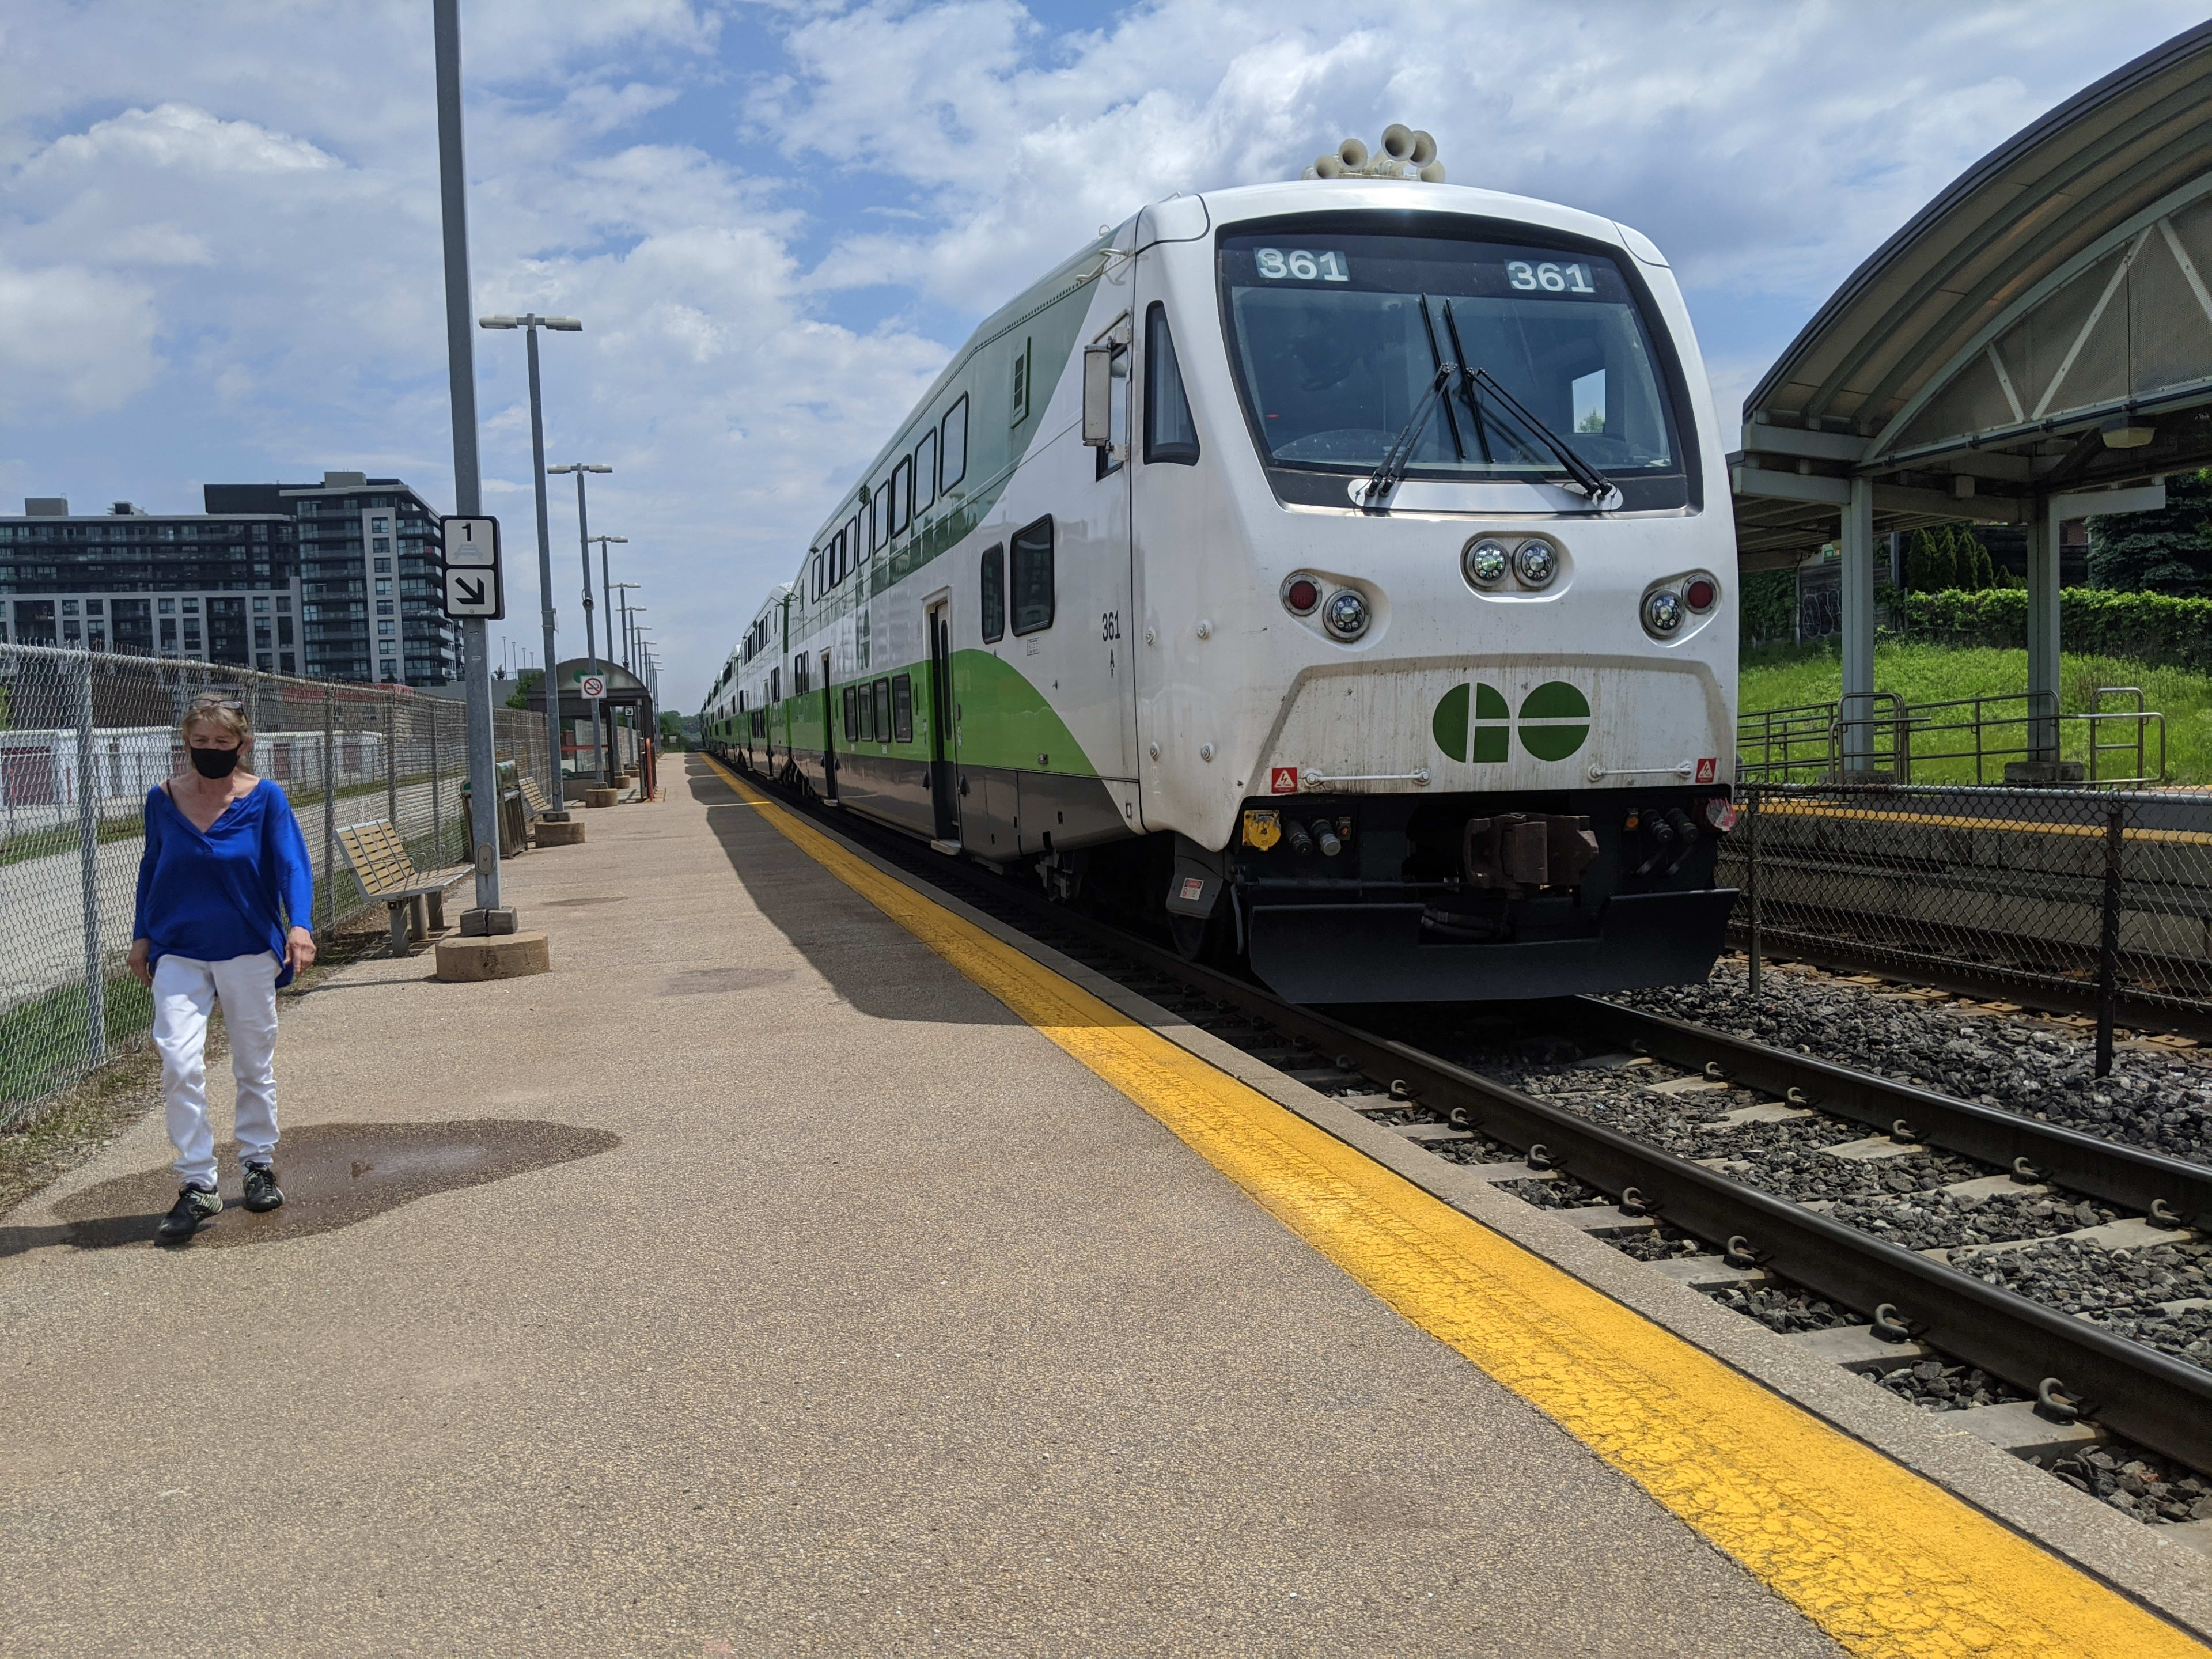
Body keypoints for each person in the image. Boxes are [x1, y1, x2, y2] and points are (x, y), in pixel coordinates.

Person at [128, 695, 316, 1243]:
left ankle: (258, 1164)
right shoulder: (162, 799)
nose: (211, 751)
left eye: (222, 743)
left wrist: (299, 926)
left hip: (247, 948)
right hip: (178, 949)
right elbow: (151, 867)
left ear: (243, 744)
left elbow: (291, 864)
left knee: (253, 1061)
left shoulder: (265, 798)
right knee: (178, 1061)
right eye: (201, 742)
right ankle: (197, 1183)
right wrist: (142, 935)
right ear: (186, 742)